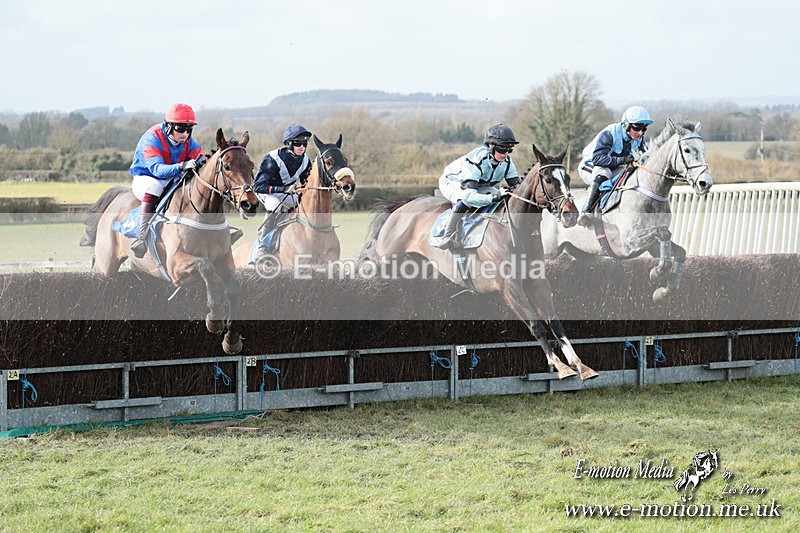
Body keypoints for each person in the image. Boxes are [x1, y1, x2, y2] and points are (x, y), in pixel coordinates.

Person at [129, 103, 203, 258]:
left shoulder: (189, 142)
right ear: (168, 126)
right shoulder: (152, 138)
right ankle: (141, 236)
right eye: (181, 129)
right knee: (155, 186)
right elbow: (157, 170)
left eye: (189, 129)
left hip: (172, 176)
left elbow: (200, 159)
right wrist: (182, 166)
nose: (185, 134)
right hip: (147, 177)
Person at [436, 123, 520, 249]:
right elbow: (469, 196)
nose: (506, 154)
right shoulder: (475, 161)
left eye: (510, 149)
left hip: (479, 185)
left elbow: (517, 187)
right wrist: (493, 197)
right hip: (453, 182)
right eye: (503, 149)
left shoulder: (507, 162)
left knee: (499, 195)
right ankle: (447, 236)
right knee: (464, 200)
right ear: (490, 146)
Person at [577, 105, 653, 225]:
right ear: (627, 125)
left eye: (644, 129)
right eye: (637, 128)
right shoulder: (610, 133)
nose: (640, 132)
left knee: (630, 176)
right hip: (590, 164)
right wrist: (623, 159)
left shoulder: (639, 138)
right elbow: (598, 159)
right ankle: (587, 211)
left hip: (612, 166)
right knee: (604, 172)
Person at [252, 124, 313, 258]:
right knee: (275, 205)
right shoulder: (272, 159)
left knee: (303, 203)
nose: (302, 147)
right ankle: (262, 244)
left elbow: (306, 183)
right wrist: (283, 189)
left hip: (287, 192)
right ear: (288, 143)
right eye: (298, 143)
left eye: (304, 143)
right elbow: (257, 186)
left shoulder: (306, 161)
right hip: (267, 192)